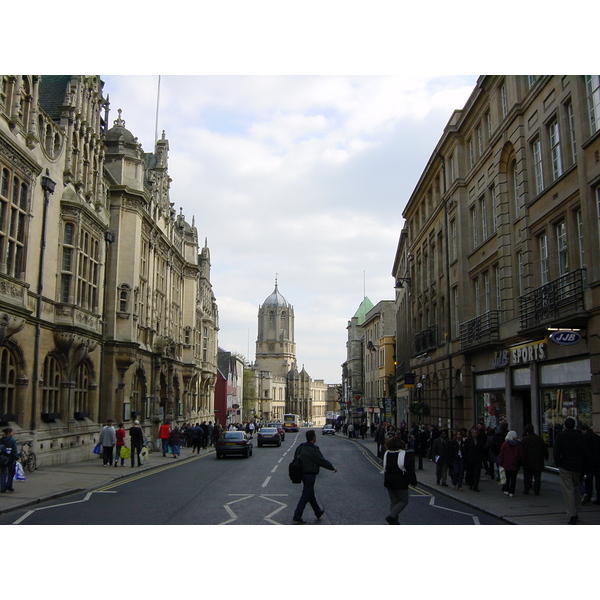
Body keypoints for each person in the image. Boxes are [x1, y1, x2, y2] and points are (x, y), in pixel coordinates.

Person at [292, 430, 337, 524]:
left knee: (310, 494)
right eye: (315, 436)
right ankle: (297, 516)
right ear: (313, 438)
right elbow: (321, 460)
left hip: (301, 474)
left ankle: (318, 512)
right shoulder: (313, 449)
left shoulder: (300, 447)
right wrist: (332, 467)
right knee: (305, 495)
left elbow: (295, 458)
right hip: (310, 474)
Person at [553, 417, 588, 524]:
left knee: (568, 490)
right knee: (576, 488)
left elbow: (556, 451)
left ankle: (572, 514)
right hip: (578, 466)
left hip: (565, 466)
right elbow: (585, 452)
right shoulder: (579, 436)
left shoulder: (561, 436)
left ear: (565, 425)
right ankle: (577, 510)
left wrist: (559, 463)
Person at [381, 435, 417, 524]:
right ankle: (391, 517)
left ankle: (394, 522)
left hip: (388, 480)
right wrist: (413, 481)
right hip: (400, 481)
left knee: (394, 501)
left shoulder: (387, 453)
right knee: (403, 501)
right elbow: (409, 469)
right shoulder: (404, 454)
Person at [521, 424, 548, 495]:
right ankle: (537, 490)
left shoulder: (524, 440)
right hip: (538, 460)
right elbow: (544, 449)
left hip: (527, 461)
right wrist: (546, 456)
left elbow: (521, 451)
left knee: (527, 476)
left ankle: (526, 490)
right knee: (537, 477)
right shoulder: (539, 438)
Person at [498, 430, 524, 497]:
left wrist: (500, 462)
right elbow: (521, 454)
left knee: (507, 477)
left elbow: (502, 454)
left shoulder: (505, 444)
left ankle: (506, 489)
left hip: (507, 463)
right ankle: (512, 491)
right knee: (513, 478)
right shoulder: (518, 444)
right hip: (515, 464)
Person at [580, 424, 600, 505]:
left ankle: (588, 495)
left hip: (588, 462)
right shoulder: (596, 437)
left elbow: (583, 451)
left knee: (588, 480)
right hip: (598, 461)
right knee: (598, 481)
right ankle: (599, 497)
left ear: (582, 430)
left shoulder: (584, 438)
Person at [464, 427, 485, 491]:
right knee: (471, 473)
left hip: (478, 460)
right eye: (474, 433)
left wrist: (481, 458)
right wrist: (466, 459)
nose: (475, 434)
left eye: (476, 433)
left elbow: (482, 450)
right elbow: (465, 450)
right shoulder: (468, 441)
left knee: (477, 473)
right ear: (471, 434)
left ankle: (476, 486)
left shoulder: (480, 441)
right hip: (470, 460)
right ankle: (471, 484)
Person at [0, 427, 19, 492]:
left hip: (2, 458)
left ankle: (2, 487)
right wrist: (16, 457)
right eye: (12, 432)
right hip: (10, 458)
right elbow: (14, 450)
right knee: (11, 472)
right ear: (9, 433)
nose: (13, 433)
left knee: (3, 473)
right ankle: (9, 485)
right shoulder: (12, 440)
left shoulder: (2, 439)